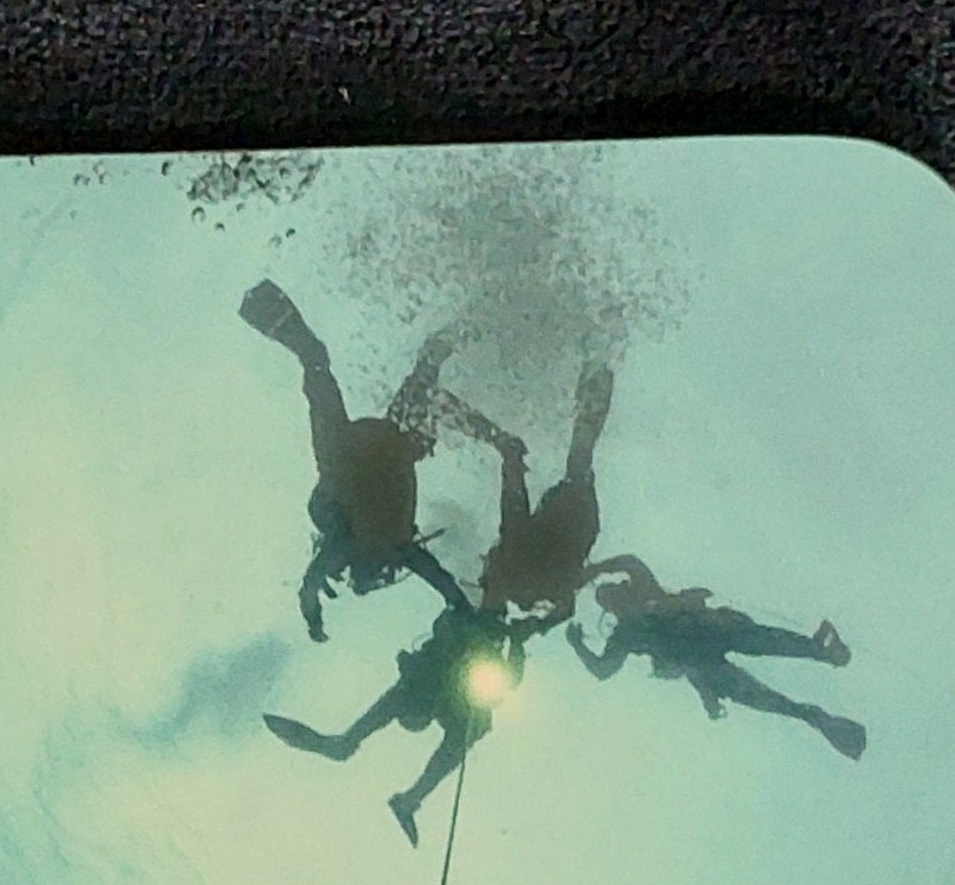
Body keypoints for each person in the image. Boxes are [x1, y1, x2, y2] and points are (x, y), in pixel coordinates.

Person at [236, 280, 470, 640]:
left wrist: (314, 620)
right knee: (327, 361)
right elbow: (443, 583)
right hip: (367, 449)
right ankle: (468, 322)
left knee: (329, 361)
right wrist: (463, 608)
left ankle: (465, 324)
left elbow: (310, 588)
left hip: (357, 451)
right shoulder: (391, 548)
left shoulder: (369, 546)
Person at [265, 600, 552, 842]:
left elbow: (506, 674)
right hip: (454, 674)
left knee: (466, 723)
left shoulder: (414, 689)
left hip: (457, 671)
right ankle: (405, 796)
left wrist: (513, 638)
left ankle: (406, 796)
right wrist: (514, 639)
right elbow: (508, 675)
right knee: (463, 723)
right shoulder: (424, 687)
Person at [568, 555, 866, 756]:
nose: (617, 599)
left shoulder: (634, 615)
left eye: (613, 593)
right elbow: (602, 670)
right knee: (759, 665)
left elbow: (629, 564)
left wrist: (592, 575)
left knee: (759, 646)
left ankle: (821, 656)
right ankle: (820, 685)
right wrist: (578, 643)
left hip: (705, 644)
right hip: (703, 654)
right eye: (611, 598)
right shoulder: (629, 625)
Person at [444, 358, 616, 618]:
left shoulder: (524, 587)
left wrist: (536, 625)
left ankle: (598, 368)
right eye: (485, 569)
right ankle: (599, 367)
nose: (485, 558)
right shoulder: (512, 560)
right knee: (579, 460)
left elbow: (566, 604)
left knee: (579, 463)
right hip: (572, 523)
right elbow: (513, 505)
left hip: (575, 528)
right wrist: (509, 457)